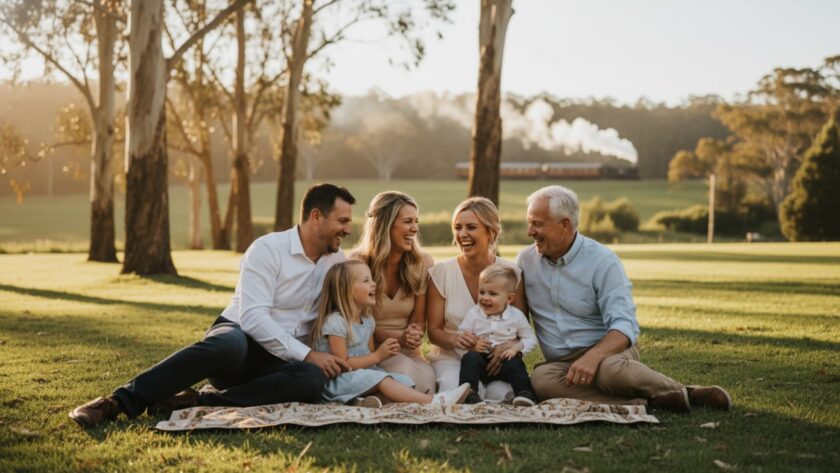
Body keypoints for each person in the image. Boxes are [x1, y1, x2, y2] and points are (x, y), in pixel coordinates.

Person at [69, 183, 356, 428]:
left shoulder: (336, 261)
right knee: (229, 344)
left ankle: (196, 400)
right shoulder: (268, 249)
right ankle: (116, 403)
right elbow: (253, 317)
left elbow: (351, 300)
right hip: (239, 340)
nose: (348, 229)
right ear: (316, 217)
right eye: (342, 221)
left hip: (280, 362)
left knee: (311, 379)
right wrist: (307, 354)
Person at [517, 185, 731, 412]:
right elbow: (517, 317)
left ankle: (677, 391)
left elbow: (624, 325)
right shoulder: (525, 261)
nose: (530, 232)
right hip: (561, 365)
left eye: (537, 224)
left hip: (610, 351)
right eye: (529, 223)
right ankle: (641, 404)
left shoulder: (602, 261)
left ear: (565, 225)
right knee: (541, 379)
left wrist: (593, 357)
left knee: (609, 371)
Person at [311, 260, 471, 406]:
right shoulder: (336, 322)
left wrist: (383, 354)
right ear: (346, 290)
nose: (374, 284)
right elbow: (342, 365)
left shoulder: (367, 320)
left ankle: (361, 402)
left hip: (361, 375)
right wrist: (378, 356)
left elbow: (370, 356)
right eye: (366, 281)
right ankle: (434, 401)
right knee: (384, 380)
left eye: (372, 279)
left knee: (403, 381)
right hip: (338, 380)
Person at [427, 197, 527, 401]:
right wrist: (455, 339)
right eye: (458, 227)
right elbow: (434, 332)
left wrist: (504, 350)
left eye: (471, 227)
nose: (462, 234)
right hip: (452, 359)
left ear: (492, 232)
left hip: (496, 362)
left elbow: (520, 328)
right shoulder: (441, 273)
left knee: (502, 395)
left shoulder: (513, 274)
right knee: (457, 391)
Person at [349, 191, 437, 394]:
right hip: (370, 352)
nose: (414, 228)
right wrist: (398, 337)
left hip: (410, 352)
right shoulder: (356, 264)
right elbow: (355, 322)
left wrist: (413, 334)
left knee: (426, 381)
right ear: (385, 225)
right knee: (404, 374)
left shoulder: (422, 263)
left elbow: (418, 319)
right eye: (407, 221)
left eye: (416, 221)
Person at [457, 264, 538, 406]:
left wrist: (515, 348)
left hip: (504, 364)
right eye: (482, 292)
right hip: (481, 363)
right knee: (470, 358)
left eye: (492, 294)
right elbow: (462, 333)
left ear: (509, 298)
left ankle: (525, 393)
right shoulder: (474, 314)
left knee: (515, 362)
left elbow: (530, 338)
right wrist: (473, 343)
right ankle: (469, 394)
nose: (485, 298)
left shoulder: (516, 316)